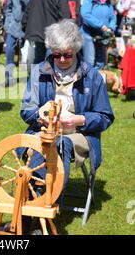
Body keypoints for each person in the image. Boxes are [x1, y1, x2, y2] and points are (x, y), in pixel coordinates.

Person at [20, 19, 114, 202]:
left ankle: (46, 204)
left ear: (76, 50)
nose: (62, 59)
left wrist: (79, 119)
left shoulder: (92, 75)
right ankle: (37, 202)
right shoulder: (39, 72)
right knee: (42, 145)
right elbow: (26, 110)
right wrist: (43, 118)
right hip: (45, 130)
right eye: (57, 55)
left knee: (61, 145)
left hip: (80, 134)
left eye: (67, 55)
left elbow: (105, 116)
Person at [22, 0, 71, 74]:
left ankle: (35, 81)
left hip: (37, 33)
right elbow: (66, 18)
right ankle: (45, 83)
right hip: (53, 36)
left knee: (38, 59)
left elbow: (27, 12)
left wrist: (25, 27)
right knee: (50, 60)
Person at [4, 0, 37, 86]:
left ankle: (32, 77)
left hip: (28, 26)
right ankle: (9, 78)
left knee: (29, 54)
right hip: (14, 25)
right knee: (9, 50)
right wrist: (7, 23)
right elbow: (8, 8)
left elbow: (32, 7)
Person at [80, 0, 117, 70]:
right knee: (90, 61)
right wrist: (101, 25)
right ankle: (86, 83)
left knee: (100, 63)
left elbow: (113, 17)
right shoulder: (88, 0)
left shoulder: (108, 3)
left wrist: (111, 29)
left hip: (102, 36)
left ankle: (96, 82)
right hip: (88, 35)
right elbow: (85, 15)